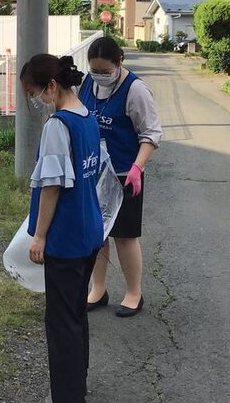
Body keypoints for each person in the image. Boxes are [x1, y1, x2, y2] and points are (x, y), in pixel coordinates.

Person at [22, 53, 105, 403]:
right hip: (89, 233)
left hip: (66, 237)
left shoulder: (58, 125)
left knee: (61, 324)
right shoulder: (87, 116)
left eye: (36, 92)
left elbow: (52, 186)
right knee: (75, 317)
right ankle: (76, 386)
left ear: (52, 86)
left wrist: (39, 235)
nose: (36, 100)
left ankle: (68, 396)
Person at [78, 36, 163, 318]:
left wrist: (137, 168)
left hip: (125, 174)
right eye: (95, 70)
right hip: (93, 172)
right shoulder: (87, 85)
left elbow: (150, 134)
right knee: (97, 234)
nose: (99, 75)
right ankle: (98, 289)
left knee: (124, 236)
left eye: (105, 71)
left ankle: (133, 293)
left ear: (119, 63)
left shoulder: (135, 90)